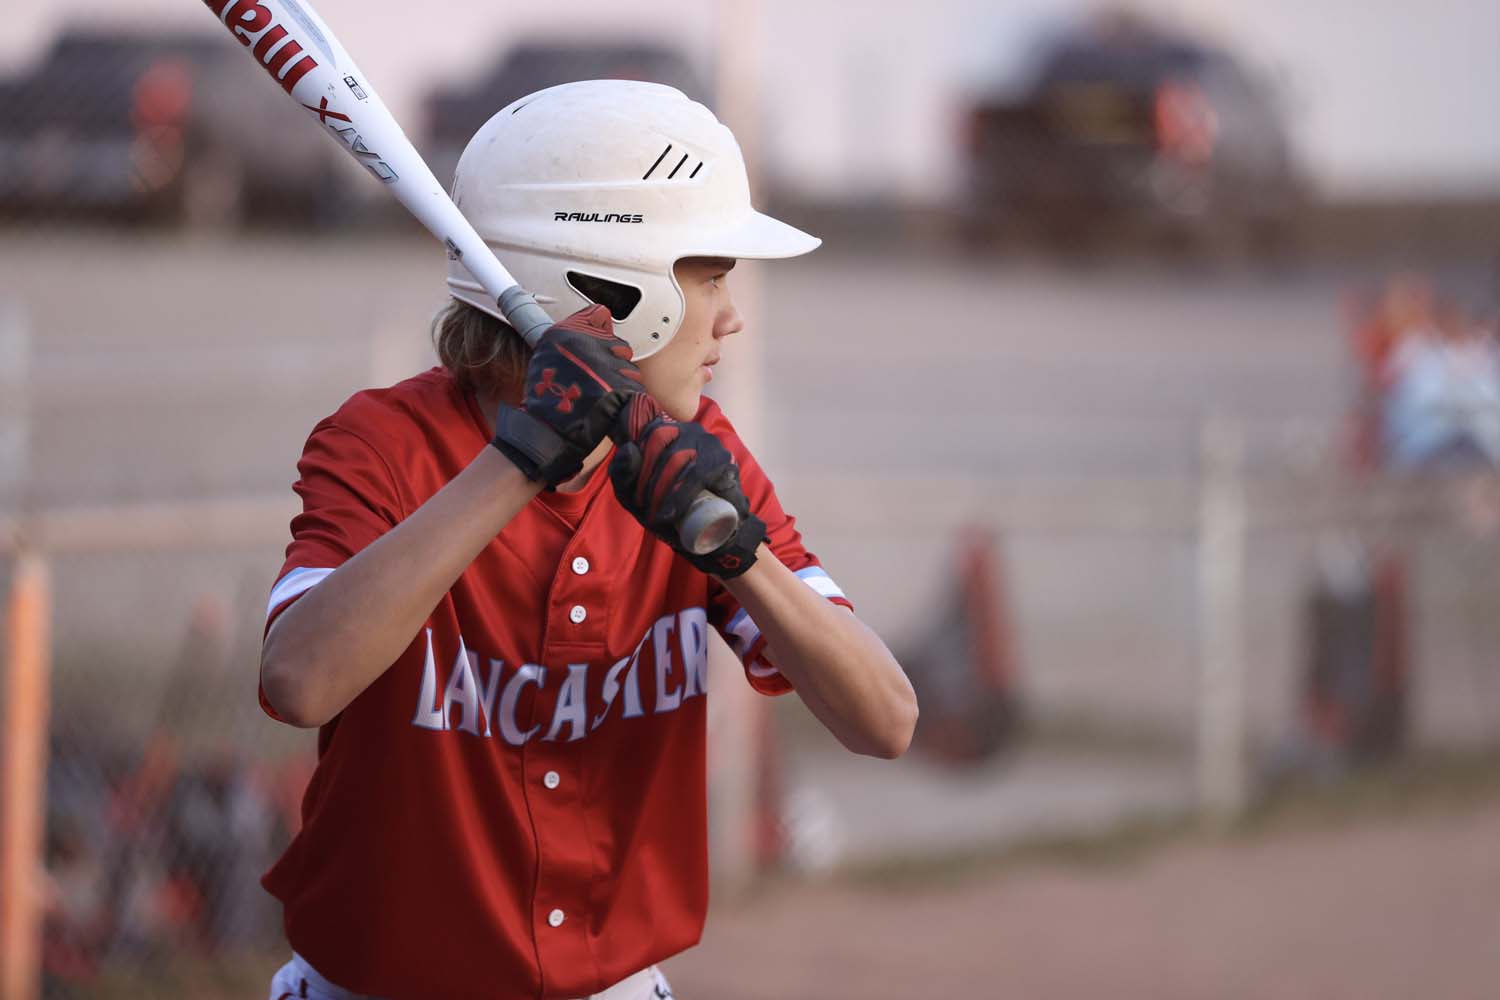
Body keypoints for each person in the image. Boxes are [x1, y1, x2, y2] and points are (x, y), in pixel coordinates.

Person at [257, 80, 917, 1000]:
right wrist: (519, 461)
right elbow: (299, 679)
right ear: (608, 284)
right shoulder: (384, 445)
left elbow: (884, 719)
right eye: (709, 276)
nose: (731, 317)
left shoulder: (698, 456)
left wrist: (738, 553)